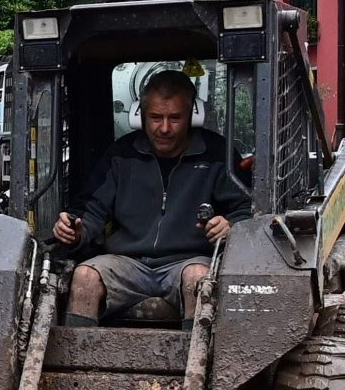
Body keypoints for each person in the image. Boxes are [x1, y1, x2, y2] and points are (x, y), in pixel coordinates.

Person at [51, 69, 251, 327]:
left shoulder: (217, 155)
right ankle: (77, 363)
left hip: (188, 261)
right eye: (156, 117)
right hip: (128, 263)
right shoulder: (121, 156)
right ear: (141, 116)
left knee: (199, 279)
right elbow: (91, 211)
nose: (164, 128)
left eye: (175, 118)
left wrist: (230, 227)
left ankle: (197, 364)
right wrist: (75, 232)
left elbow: (246, 211)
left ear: (193, 116)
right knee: (84, 278)